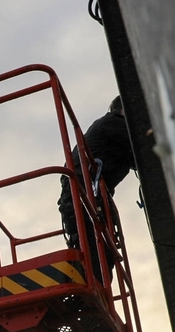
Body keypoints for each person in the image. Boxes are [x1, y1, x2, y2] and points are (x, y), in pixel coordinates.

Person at [57, 95, 136, 275]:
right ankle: (87, 297)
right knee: (97, 258)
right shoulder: (113, 122)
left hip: (87, 198)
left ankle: (90, 296)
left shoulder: (112, 133)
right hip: (83, 197)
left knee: (103, 257)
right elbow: (140, 141)